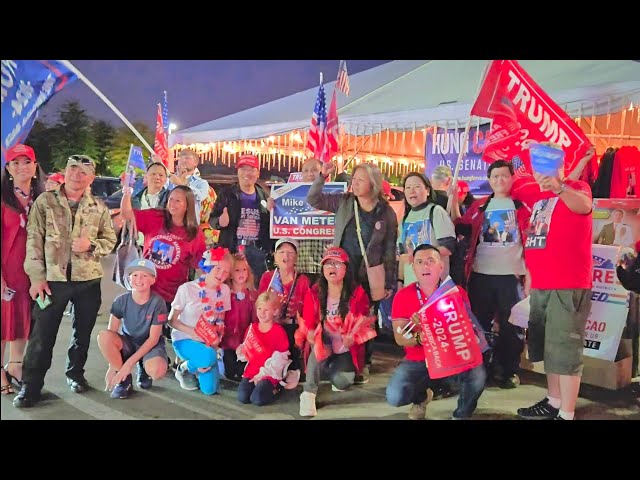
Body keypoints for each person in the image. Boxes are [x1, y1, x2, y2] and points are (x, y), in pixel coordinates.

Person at [14, 155, 117, 408]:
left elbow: (109, 240)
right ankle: (31, 386)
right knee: (42, 335)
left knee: (82, 333)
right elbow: (34, 240)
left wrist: (90, 245)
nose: (77, 175)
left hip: (88, 280)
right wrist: (36, 277)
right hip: (53, 280)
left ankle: (76, 374)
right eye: (73, 169)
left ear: (91, 178)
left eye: (84, 172)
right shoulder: (45, 201)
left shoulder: (99, 206)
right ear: (65, 171)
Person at [515, 146, 595, 421]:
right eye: (538, 167)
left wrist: (561, 187)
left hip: (568, 284)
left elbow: (584, 206)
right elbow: (536, 239)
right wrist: (531, 274)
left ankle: (566, 412)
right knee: (547, 347)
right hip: (542, 285)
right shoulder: (539, 197)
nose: (541, 173)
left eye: (547, 166)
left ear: (559, 166)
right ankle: (553, 401)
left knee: (565, 350)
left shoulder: (577, 188)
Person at [307, 162, 397, 382]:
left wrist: (389, 283)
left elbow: (390, 249)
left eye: (360, 180)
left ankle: (363, 361)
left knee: (365, 319)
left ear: (373, 184)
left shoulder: (386, 212)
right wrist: (322, 177)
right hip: (342, 271)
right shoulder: (345, 202)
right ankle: (339, 356)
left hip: (370, 272)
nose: (354, 184)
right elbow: (313, 199)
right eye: (353, 179)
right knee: (341, 313)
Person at [452, 160, 530, 389]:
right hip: (480, 275)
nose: (499, 180)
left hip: (511, 275)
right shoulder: (480, 207)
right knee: (479, 324)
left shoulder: (522, 208)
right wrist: (454, 202)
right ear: (489, 179)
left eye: (504, 175)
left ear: (511, 178)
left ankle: (507, 371)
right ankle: (480, 368)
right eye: (495, 176)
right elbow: (462, 227)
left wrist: (530, 278)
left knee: (512, 327)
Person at [386, 244, 487, 420]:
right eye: (419, 262)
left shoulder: (456, 293)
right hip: (419, 360)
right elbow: (400, 338)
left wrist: (434, 328)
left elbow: (466, 330)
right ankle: (422, 397)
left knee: (477, 375)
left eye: (430, 261)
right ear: (413, 267)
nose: (425, 266)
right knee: (395, 396)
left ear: (441, 266)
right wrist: (421, 335)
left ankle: (462, 414)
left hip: (453, 357)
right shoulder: (403, 296)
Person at [298, 247, 374, 417]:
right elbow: (309, 323)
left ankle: (329, 369)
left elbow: (365, 325)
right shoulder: (314, 292)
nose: (332, 268)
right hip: (323, 344)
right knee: (318, 348)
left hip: (344, 349)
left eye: (337, 264)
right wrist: (310, 334)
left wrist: (353, 338)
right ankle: (308, 393)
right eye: (328, 264)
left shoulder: (358, 294)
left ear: (346, 268)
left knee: (342, 382)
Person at [121, 184, 207, 313]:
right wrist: (127, 191)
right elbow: (127, 215)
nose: (172, 203)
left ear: (187, 205)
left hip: (172, 294)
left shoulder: (194, 232)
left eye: (178, 200)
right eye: (171, 199)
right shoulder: (155, 217)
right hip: (146, 288)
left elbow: (200, 264)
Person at [1, 144, 45, 395]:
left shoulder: (42, 198)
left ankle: (16, 365)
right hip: (7, 271)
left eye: (26, 162)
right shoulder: (3, 199)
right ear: (8, 169)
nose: (21, 167)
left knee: (22, 321)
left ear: (35, 166)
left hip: (33, 273)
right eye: (15, 163)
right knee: (3, 322)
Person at [97, 259, 168, 398]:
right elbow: (111, 332)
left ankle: (143, 366)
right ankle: (124, 381)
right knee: (103, 336)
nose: (139, 279)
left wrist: (128, 365)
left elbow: (153, 339)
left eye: (145, 275)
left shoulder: (158, 302)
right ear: (129, 278)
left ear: (153, 280)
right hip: (129, 342)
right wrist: (113, 367)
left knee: (156, 371)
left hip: (149, 344)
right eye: (134, 275)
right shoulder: (121, 300)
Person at [169, 248, 233, 395]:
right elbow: (171, 321)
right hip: (184, 340)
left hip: (208, 343)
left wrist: (217, 340)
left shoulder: (224, 290)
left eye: (226, 271)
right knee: (207, 357)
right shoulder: (187, 289)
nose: (221, 274)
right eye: (218, 268)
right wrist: (194, 332)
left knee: (209, 389)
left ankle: (200, 363)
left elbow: (220, 319)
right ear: (208, 266)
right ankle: (183, 368)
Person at [209, 153, 273, 286]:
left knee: (255, 288)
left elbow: (271, 227)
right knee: (227, 286)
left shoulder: (265, 195)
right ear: (237, 172)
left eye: (251, 169)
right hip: (231, 249)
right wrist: (220, 221)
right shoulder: (227, 194)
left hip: (257, 252)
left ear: (258, 173)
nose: (247, 173)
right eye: (243, 169)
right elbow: (212, 219)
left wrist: (272, 213)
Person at [258, 238, 310, 373]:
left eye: (290, 253)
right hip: (271, 326)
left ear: (296, 257)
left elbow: (307, 310)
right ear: (275, 256)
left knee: (291, 369)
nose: (285, 256)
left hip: (293, 329)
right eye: (281, 252)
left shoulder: (303, 280)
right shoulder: (268, 278)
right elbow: (260, 304)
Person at [398, 172, 456, 285]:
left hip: (435, 286)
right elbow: (403, 256)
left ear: (428, 190)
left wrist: (419, 255)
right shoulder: (404, 219)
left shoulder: (436, 212)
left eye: (417, 186)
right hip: (411, 284)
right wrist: (400, 282)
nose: (412, 191)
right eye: (408, 187)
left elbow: (448, 248)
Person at [236, 291, 290, 406]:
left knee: (257, 399)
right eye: (260, 309)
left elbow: (280, 360)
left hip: (269, 372)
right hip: (252, 371)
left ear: (275, 311)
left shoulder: (278, 332)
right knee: (242, 397)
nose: (262, 313)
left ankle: (277, 389)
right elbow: (246, 352)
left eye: (266, 310)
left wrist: (261, 376)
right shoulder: (252, 328)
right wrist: (240, 351)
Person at [293, 157, 333, 284]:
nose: (310, 174)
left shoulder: (334, 195)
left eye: (314, 170)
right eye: (305, 171)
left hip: (326, 262)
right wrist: (274, 206)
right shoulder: (290, 196)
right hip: (301, 263)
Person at [221, 253, 258, 381]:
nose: (241, 273)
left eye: (244, 270)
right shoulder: (224, 294)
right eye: (237, 270)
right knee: (230, 373)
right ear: (230, 273)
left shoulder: (252, 295)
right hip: (228, 341)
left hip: (245, 342)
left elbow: (254, 320)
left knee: (242, 373)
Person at [168, 149, 211, 221]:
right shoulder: (168, 180)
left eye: (187, 158)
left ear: (195, 163)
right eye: (180, 158)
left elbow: (200, 197)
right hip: (168, 224)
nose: (183, 160)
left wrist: (182, 184)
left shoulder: (201, 183)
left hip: (189, 225)